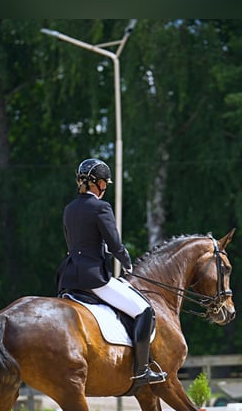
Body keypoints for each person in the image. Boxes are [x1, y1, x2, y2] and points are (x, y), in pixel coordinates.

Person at [56, 158, 167, 386]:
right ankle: (142, 369)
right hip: (94, 278)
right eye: (104, 183)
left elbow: (72, 243)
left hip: (69, 277)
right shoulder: (101, 207)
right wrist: (127, 263)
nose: (105, 187)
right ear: (97, 183)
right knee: (144, 310)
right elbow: (115, 243)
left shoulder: (69, 209)